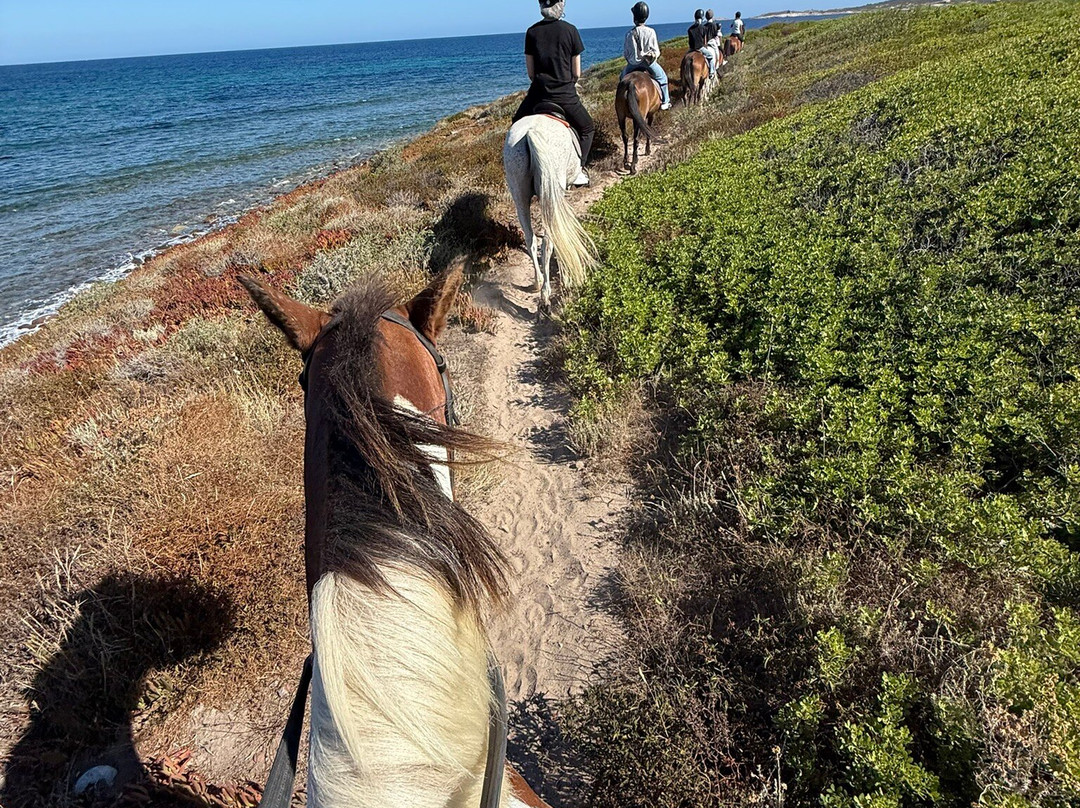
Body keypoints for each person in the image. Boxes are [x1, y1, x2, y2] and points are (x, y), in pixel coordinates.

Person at [513, 0, 594, 186]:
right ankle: (578, 171)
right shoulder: (571, 30)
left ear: (541, 6)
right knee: (587, 128)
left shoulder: (531, 32)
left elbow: (531, 74)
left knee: (515, 126)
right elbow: (577, 73)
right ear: (561, 5)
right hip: (565, 95)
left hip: (537, 96)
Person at [621, 2, 671, 110]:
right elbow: (656, 51)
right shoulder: (651, 32)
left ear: (635, 16)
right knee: (663, 78)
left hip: (632, 65)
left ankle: (620, 103)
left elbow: (626, 53)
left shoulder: (629, 34)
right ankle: (665, 102)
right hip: (649, 64)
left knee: (622, 79)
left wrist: (632, 60)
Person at [688, 8, 717, 76]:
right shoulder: (703, 28)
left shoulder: (690, 29)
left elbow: (690, 41)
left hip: (691, 49)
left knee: (684, 58)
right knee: (710, 55)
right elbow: (705, 41)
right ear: (702, 17)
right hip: (700, 48)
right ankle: (711, 72)